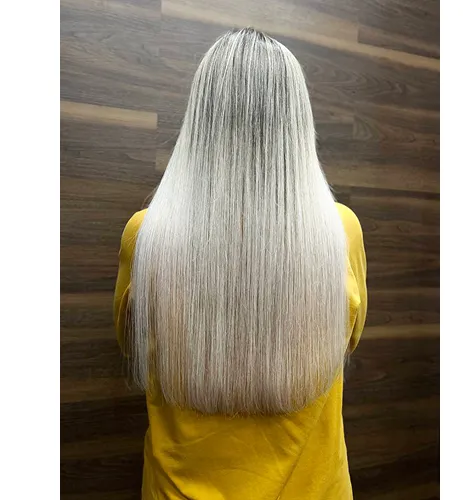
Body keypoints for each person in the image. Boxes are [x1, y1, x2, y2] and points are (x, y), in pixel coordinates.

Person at [114, 27, 367, 500]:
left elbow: (133, 345)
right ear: (298, 123)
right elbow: (347, 340)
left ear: (201, 119)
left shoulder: (146, 236)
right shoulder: (340, 232)